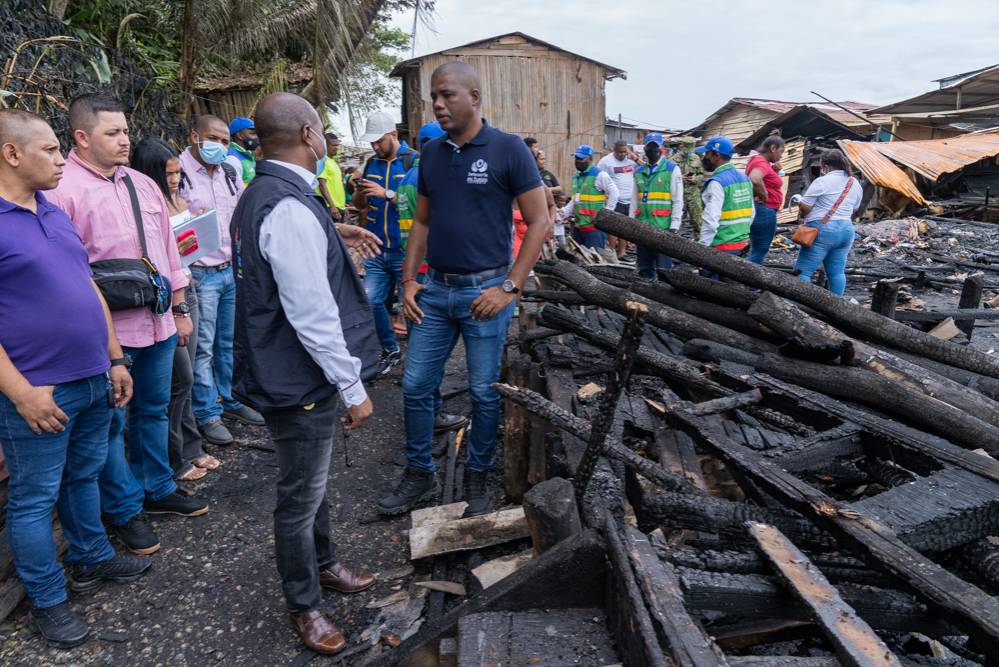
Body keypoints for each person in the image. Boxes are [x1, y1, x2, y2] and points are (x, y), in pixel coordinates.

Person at [230, 91, 382, 655]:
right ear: (308, 135)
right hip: (296, 377)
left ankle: (325, 563)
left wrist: (329, 231)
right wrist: (353, 386)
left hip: (278, 368)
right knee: (299, 494)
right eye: (322, 131)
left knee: (311, 481)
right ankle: (304, 604)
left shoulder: (266, 194)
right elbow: (311, 312)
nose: (325, 140)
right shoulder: (288, 205)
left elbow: (282, 254)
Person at [0, 108, 153, 649]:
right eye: (48, 149)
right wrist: (20, 393)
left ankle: (91, 558)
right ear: (12, 154)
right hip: (40, 389)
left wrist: (114, 358)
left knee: (82, 475)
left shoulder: (52, 210)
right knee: (33, 499)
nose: (62, 158)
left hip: (92, 376)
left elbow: (86, 286)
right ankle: (48, 600)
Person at [383, 61, 549, 518]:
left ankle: (477, 472)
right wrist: (409, 280)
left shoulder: (508, 149)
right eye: (434, 96)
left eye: (448, 95)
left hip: (485, 293)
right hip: (435, 291)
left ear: (474, 97)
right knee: (416, 387)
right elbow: (421, 221)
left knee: (482, 392)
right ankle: (420, 474)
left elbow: (540, 221)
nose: (438, 104)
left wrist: (510, 288)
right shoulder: (431, 154)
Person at [49, 94, 209, 556]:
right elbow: (66, 273)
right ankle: (122, 510)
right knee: (110, 425)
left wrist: (178, 310)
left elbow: (170, 251)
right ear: (81, 137)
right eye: (112, 133)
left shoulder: (141, 182)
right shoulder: (61, 191)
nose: (125, 140)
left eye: (125, 131)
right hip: (108, 334)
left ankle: (157, 487)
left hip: (158, 322)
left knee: (154, 409)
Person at [130, 137, 218, 481]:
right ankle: (175, 455)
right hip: (164, 299)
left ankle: (191, 447)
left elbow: (183, 251)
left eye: (178, 172)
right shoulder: (139, 207)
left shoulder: (178, 201)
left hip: (187, 288)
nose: (175, 179)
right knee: (178, 381)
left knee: (188, 375)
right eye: (168, 172)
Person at [177, 115, 265, 447]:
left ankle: (230, 400)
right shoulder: (179, 173)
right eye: (214, 138)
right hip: (199, 276)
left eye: (226, 140)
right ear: (195, 136)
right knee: (201, 350)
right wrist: (183, 272)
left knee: (228, 343)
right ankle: (206, 413)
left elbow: (242, 212)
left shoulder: (231, 171)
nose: (220, 145)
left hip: (229, 271)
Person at [396, 121, 469, 435]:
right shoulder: (431, 177)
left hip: (413, 268)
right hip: (428, 272)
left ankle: (426, 411)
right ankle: (432, 413)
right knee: (430, 355)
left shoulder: (405, 179)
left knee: (421, 351)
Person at [349, 111, 418, 376]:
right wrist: (359, 192)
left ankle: (417, 359)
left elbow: (421, 204)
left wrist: (387, 193)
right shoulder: (371, 164)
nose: (375, 147)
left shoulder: (414, 162)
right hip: (377, 248)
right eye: (371, 143)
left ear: (393, 135)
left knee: (410, 306)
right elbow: (360, 205)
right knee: (370, 300)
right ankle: (391, 350)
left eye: (379, 141)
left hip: (406, 250)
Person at [793, 148, 863, 296]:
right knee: (837, 273)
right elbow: (855, 209)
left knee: (803, 271)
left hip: (823, 230)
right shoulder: (854, 182)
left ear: (825, 166)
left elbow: (805, 207)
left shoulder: (822, 181)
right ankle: (836, 309)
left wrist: (799, 201)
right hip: (846, 230)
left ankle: (795, 306)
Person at [695, 136, 755, 276]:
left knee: (710, 291)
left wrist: (701, 250)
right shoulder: (745, 179)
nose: (705, 158)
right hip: (740, 245)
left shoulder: (716, 182)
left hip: (719, 246)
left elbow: (711, 220)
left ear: (716, 156)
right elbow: (751, 214)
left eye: (707, 154)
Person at [632, 132, 684, 279]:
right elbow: (634, 201)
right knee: (644, 268)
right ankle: (646, 298)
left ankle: (663, 298)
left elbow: (678, 200)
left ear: (662, 147)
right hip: (642, 227)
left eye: (656, 146)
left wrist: (674, 226)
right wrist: (630, 226)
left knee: (664, 269)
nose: (653, 149)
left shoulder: (672, 169)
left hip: (663, 228)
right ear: (645, 148)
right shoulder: (639, 171)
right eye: (650, 146)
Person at [559, 144, 619, 250]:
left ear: (590, 159)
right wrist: (564, 212)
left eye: (581, 158)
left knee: (594, 261)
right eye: (576, 158)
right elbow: (575, 199)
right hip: (578, 226)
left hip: (594, 229)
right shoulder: (576, 177)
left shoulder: (600, 175)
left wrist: (603, 214)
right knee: (580, 260)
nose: (578, 161)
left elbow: (614, 193)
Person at [745, 135, 786, 265]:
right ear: (773, 148)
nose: (781, 156)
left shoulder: (760, 161)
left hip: (761, 210)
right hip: (764, 211)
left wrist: (774, 171)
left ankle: (747, 283)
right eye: (781, 152)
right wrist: (765, 195)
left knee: (757, 250)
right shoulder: (761, 162)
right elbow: (755, 178)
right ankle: (749, 285)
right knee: (759, 250)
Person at [598, 140, 639, 259]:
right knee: (613, 228)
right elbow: (598, 178)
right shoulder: (605, 161)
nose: (622, 154)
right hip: (614, 200)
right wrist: (605, 198)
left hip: (629, 200)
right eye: (620, 152)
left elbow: (646, 168)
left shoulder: (631, 160)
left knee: (624, 228)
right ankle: (611, 254)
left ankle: (622, 254)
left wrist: (635, 158)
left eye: (625, 152)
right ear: (614, 149)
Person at [673, 136, 704, 239]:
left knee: (697, 221)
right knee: (676, 222)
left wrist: (695, 179)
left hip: (693, 194)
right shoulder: (673, 160)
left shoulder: (695, 158)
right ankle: (674, 245)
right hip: (678, 195)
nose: (688, 153)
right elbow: (668, 179)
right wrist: (679, 178)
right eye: (686, 151)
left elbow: (701, 174)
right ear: (681, 147)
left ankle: (700, 244)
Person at [316, 132, 345, 219]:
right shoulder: (322, 162)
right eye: (333, 145)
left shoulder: (334, 163)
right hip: (330, 207)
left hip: (339, 207)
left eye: (337, 145)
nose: (336, 148)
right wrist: (332, 206)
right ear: (325, 145)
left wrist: (343, 207)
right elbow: (321, 184)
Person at [227, 116, 258, 185]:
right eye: (253, 134)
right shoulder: (232, 159)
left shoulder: (247, 155)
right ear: (240, 135)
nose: (256, 137)